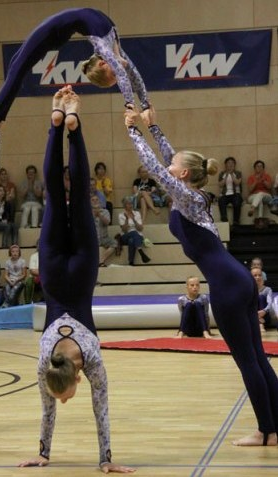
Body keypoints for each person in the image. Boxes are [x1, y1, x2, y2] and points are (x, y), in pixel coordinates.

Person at [125, 105, 278, 446]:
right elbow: (169, 160)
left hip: (226, 284)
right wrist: (155, 127)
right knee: (257, 356)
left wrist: (133, 130)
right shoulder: (191, 194)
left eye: (174, 166)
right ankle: (274, 429)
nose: (169, 165)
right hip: (237, 277)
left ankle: (266, 430)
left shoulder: (186, 196)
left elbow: (154, 167)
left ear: (181, 175)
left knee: (247, 361)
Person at [19, 87, 134, 473]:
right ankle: (58, 124)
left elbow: (100, 409)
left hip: (80, 272)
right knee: (56, 197)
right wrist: (50, 454)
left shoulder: (93, 362)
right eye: (66, 396)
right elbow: (53, 409)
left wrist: (104, 459)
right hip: (53, 272)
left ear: (75, 376)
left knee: (79, 197)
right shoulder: (44, 364)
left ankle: (73, 124)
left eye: (63, 397)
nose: (63, 401)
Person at [0, 8, 149, 132]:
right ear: (102, 64)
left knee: (17, 69)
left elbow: (135, 77)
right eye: (114, 75)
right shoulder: (104, 49)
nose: (119, 75)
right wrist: (130, 106)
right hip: (52, 31)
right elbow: (127, 76)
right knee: (15, 67)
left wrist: (146, 105)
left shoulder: (113, 51)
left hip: (56, 32)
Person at [118, 196, 151, 266]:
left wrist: (134, 219)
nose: (130, 205)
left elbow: (140, 228)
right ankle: (140, 251)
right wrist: (127, 219)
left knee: (131, 241)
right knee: (133, 232)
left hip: (138, 236)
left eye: (131, 204)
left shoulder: (137, 213)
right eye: (128, 204)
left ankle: (131, 262)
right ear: (124, 205)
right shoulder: (121, 215)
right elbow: (124, 230)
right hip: (125, 236)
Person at [91, 195, 118, 267]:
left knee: (115, 243)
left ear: (99, 202)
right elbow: (85, 224)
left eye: (96, 199)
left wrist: (99, 215)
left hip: (104, 238)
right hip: (92, 238)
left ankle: (101, 261)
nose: (95, 201)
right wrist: (93, 215)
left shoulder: (105, 211)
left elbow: (107, 222)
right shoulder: (87, 212)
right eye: (93, 200)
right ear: (90, 202)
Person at [0, 244, 26, 308]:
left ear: (19, 252)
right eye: (13, 251)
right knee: (7, 289)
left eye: (16, 251)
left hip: (19, 281)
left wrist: (16, 280)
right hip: (10, 280)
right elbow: (6, 275)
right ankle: (12, 305)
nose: (15, 253)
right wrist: (10, 281)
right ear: (10, 252)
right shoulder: (7, 262)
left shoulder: (22, 261)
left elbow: (24, 275)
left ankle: (6, 304)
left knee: (13, 290)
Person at [217, 156, 243, 225]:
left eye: (232, 163)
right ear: (225, 164)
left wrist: (231, 174)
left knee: (237, 202)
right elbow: (221, 185)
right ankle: (224, 218)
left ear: (234, 164)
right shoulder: (222, 174)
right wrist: (226, 175)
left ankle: (236, 221)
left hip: (236, 194)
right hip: (225, 194)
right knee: (221, 200)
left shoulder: (238, 173)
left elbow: (237, 183)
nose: (230, 164)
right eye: (228, 163)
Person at [251, 267, 274, 333]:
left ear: (262, 277)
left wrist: (264, 311)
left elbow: (270, 303)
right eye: (255, 275)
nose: (257, 277)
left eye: (259, 275)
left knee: (261, 297)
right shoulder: (248, 289)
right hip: (253, 315)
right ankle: (257, 322)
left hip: (265, 317)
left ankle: (260, 324)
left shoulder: (268, 289)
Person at [24, 240, 43, 304]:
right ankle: (28, 303)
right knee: (29, 282)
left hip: (46, 277)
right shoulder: (33, 256)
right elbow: (32, 271)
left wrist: (40, 271)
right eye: (39, 244)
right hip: (35, 278)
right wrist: (43, 272)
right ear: (37, 246)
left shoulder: (49, 256)